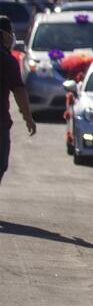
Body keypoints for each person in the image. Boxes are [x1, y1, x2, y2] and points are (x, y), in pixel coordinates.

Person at [1, 15, 37, 185]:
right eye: (11, 32)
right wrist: (28, 118)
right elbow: (19, 91)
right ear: (4, 35)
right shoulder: (7, 61)